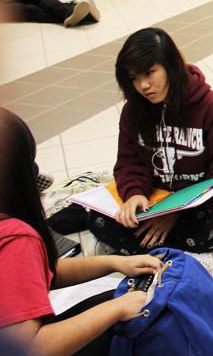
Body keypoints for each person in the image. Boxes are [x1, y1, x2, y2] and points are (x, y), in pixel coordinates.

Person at [86, 27, 213, 285]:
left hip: (203, 204)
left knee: (210, 229)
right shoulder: (133, 111)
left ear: (170, 65)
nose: (143, 85)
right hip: (155, 199)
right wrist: (134, 194)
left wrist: (176, 214)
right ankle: (191, 260)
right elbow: (128, 163)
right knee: (97, 218)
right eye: (134, 78)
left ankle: (134, 255)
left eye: (150, 73)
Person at [0, 107, 162, 356]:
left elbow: (43, 272)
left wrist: (114, 262)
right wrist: (117, 309)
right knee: (154, 310)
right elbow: (30, 348)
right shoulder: (15, 239)